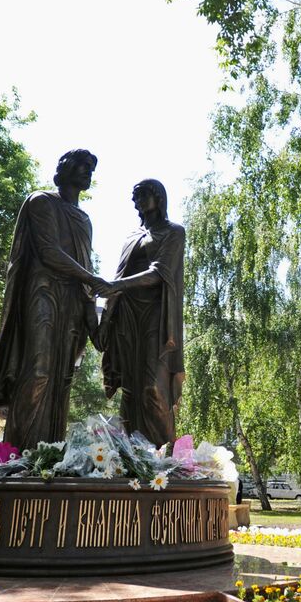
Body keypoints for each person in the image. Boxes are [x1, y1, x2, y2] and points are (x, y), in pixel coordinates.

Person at [0, 149, 108, 450]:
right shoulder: (41, 201)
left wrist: (92, 315)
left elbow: (86, 264)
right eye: (81, 165)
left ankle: (48, 456)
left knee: (62, 381)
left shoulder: (85, 220)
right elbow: (48, 251)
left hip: (72, 305)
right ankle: (20, 455)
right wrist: (91, 279)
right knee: (38, 371)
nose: (87, 171)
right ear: (64, 169)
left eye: (91, 168)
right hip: (42, 292)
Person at [96, 179, 185, 448]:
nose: (137, 201)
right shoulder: (131, 237)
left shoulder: (174, 232)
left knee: (153, 388)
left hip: (155, 318)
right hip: (127, 316)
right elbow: (120, 272)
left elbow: (161, 272)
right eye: (134, 197)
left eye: (142, 195)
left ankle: (162, 458)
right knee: (131, 390)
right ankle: (132, 457)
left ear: (158, 197)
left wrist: (115, 286)